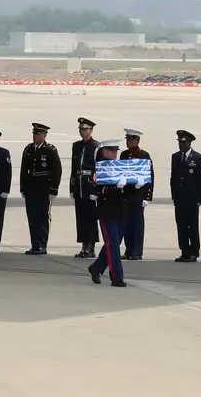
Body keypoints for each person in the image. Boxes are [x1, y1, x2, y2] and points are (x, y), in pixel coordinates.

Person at [87, 139, 129, 287]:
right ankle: (116, 277)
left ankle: (96, 267)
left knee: (115, 243)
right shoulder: (100, 167)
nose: (114, 153)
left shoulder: (120, 166)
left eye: (116, 150)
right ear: (104, 151)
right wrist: (115, 187)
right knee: (113, 244)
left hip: (121, 209)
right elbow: (98, 189)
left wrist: (135, 184)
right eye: (111, 150)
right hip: (107, 210)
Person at [19, 122, 62, 255]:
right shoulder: (29, 149)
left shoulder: (50, 150)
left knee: (42, 217)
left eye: (38, 134)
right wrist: (23, 188)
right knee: (32, 217)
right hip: (31, 188)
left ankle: (42, 245)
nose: (35, 136)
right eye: (34, 133)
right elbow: (23, 169)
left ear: (44, 135)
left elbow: (57, 170)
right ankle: (34, 244)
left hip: (44, 188)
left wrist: (54, 189)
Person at [170, 130, 201, 263]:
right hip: (180, 198)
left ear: (190, 143)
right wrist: (174, 196)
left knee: (192, 225)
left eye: (184, 142)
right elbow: (173, 178)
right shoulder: (175, 157)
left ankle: (194, 251)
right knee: (181, 225)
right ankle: (184, 251)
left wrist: (200, 199)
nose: (181, 145)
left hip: (192, 199)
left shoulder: (198, 158)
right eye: (180, 142)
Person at [70, 118, 101, 259]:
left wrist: (96, 190)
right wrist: (72, 187)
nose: (82, 131)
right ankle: (83, 245)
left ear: (91, 130)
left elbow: (98, 169)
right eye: (81, 129)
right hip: (79, 185)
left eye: (85, 129)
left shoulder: (96, 147)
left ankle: (91, 246)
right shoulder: (76, 146)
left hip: (89, 186)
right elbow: (74, 168)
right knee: (81, 217)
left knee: (90, 218)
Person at [120, 128, 153, 261]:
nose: (129, 141)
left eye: (131, 139)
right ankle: (128, 250)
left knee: (137, 224)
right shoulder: (123, 154)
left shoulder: (143, 155)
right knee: (126, 223)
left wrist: (147, 196)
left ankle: (137, 251)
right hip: (126, 193)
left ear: (137, 141)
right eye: (127, 139)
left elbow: (150, 175)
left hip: (138, 194)